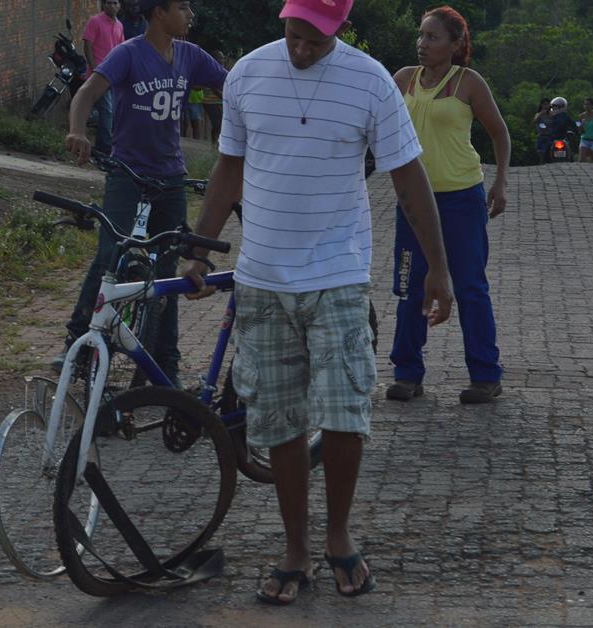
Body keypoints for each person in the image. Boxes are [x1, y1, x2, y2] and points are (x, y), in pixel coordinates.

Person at [183, 0, 453, 605]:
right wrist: (200, 251)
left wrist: (439, 268)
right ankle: (296, 547)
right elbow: (228, 169)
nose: (301, 48)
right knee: (277, 419)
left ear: (339, 29)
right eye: (293, 35)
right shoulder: (248, 74)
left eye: (315, 40)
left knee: (343, 412)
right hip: (263, 280)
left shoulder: (371, 81)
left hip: (337, 275)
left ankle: (337, 535)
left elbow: (408, 177)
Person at [55, 0, 228, 386]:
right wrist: (78, 129)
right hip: (128, 174)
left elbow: (233, 84)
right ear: (158, 13)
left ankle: (165, 362)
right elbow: (87, 92)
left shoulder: (190, 56)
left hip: (171, 179)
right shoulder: (128, 54)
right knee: (110, 254)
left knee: (166, 273)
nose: (191, 15)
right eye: (182, 7)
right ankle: (79, 341)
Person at [387, 5, 510, 404]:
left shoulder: (469, 82)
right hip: (412, 203)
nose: (422, 44)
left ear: (456, 45)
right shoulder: (403, 79)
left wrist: (501, 181)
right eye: (421, 36)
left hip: (461, 198)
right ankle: (407, 373)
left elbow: (499, 133)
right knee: (410, 287)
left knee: (470, 286)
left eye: (432, 38)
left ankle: (485, 376)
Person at [83, 0, 124, 154]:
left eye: (115, 3)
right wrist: (95, 69)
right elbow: (87, 45)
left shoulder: (119, 25)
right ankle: (105, 146)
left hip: (114, 75)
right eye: (108, 3)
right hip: (99, 74)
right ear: (103, 5)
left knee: (109, 110)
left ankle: (102, 142)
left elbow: (121, 50)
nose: (111, 6)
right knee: (107, 110)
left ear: (119, 6)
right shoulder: (95, 21)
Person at [533, 97, 552, 165]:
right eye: (544, 104)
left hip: (551, 135)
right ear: (541, 105)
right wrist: (541, 113)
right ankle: (541, 162)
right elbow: (534, 121)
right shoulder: (538, 114)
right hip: (541, 135)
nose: (546, 106)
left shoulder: (551, 114)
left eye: (547, 104)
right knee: (540, 151)